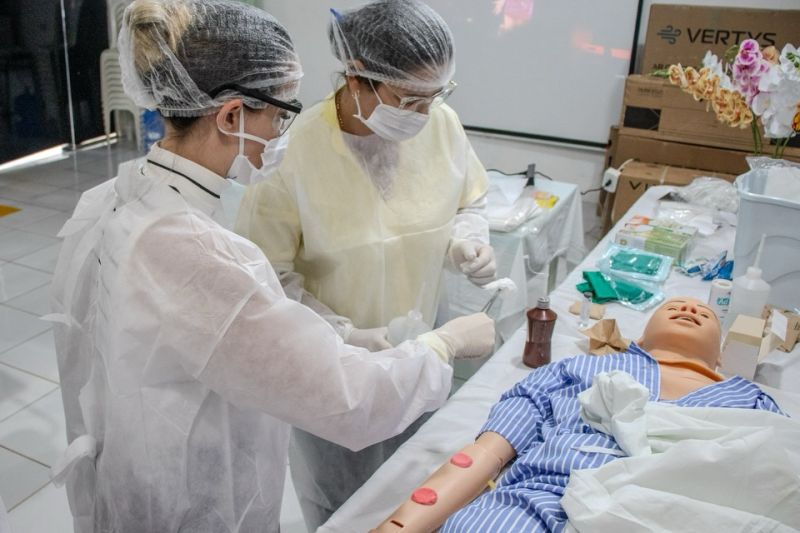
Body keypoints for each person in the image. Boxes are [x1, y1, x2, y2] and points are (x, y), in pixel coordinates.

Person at [48, 1, 495, 532]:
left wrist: (347, 330)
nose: (284, 131)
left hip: (138, 476)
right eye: (280, 114)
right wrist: (445, 344)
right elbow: (347, 397)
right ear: (231, 116)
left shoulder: (111, 200)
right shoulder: (193, 252)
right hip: (192, 505)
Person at [235, 1, 497, 527]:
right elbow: (265, 279)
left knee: (418, 486)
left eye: (435, 95)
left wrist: (465, 242)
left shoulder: (441, 126)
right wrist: (344, 334)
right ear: (356, 77)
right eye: (409, 99)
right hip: (333, 367)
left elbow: (468, 201)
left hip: (422, 346)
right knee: (344, 505)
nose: (423, 112)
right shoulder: (294, 152)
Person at [374, 297, 788, 532]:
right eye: (675, 306)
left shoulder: (753, 403)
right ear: (639, 338)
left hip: (682, 515)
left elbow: (777, 486)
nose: (691, 310)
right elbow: (485, 454)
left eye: (705, 314)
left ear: (721, 358)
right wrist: (399, 526)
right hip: (544, 500)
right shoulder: (576, 369)